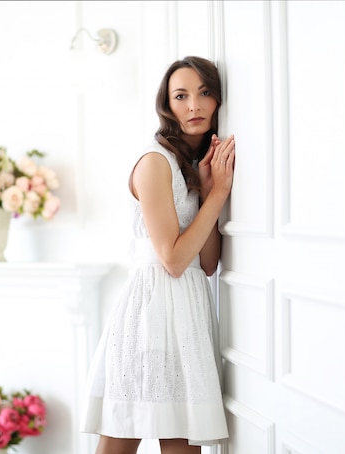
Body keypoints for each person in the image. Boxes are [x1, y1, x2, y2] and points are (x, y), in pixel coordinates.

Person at [81, 56, 235, 454]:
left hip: (187, 313)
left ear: (218, 100)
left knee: (184, 442)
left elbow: (207, 263)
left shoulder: (189, 167)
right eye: (181, 96)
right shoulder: (154, 162)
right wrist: (217, 193)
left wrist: (204, 193)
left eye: (204, 94)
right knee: (122, 437)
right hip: (150, 311)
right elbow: (172, 259)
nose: (195, 106)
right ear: (167, 105)